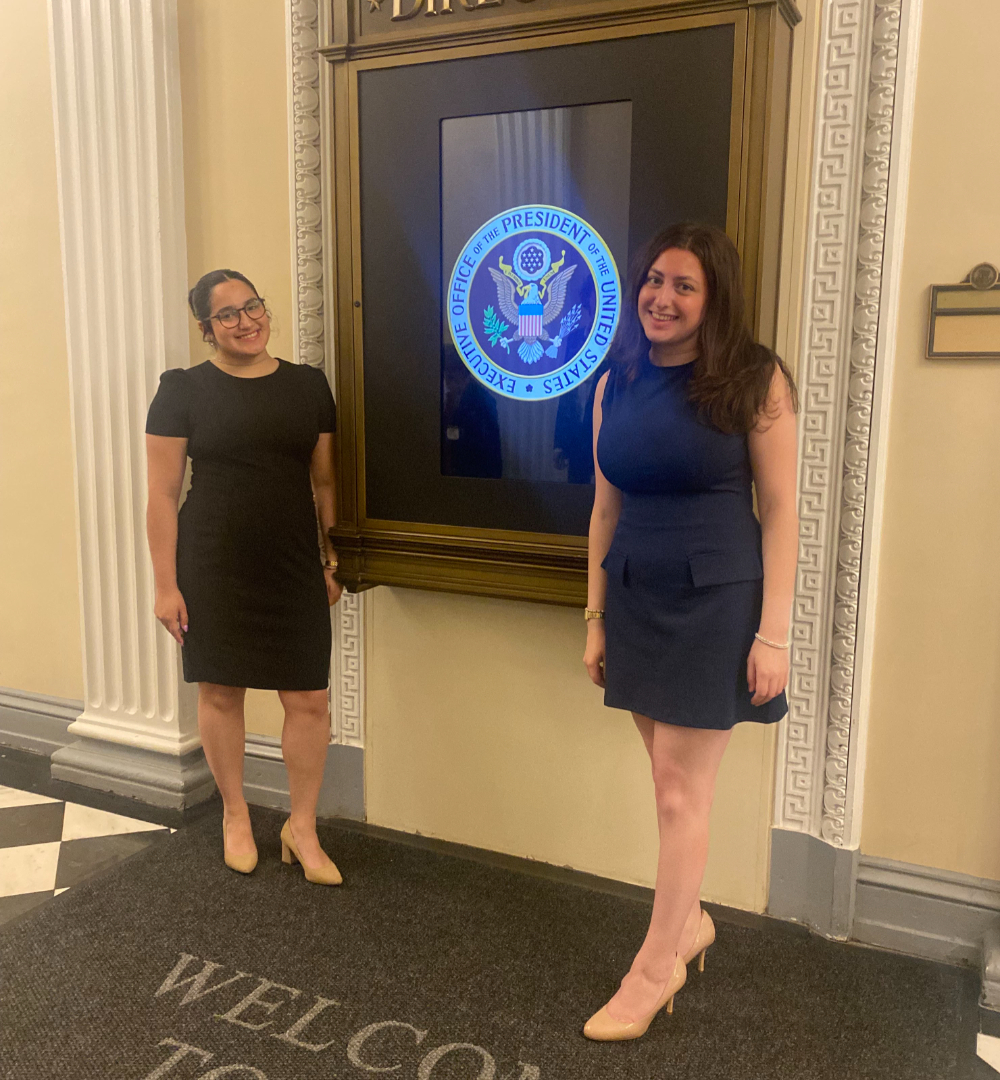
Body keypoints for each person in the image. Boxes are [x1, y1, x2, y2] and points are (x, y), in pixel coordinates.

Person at [582, 224, 798, 1040]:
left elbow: (782, 509)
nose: (661, 298)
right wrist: (595, 618)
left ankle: (654, 968)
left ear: (714, 299)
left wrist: (774, 634)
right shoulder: (616, 381)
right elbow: (604, 509)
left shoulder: (755, 378)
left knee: (681, 793)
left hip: (717, 602)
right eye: (653, 280)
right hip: (637, 595)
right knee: (667, 782)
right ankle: (692, 921)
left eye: (684, 285)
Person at [145, 269, 344, 886]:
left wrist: (332, 557)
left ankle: (301, 827)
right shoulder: (182, 390)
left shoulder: (308, 386)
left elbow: (325, 481)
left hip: (292, 561)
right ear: (207, 328)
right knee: (220, 691)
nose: (246, 321)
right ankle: (236, 814)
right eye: (227, 314)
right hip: (213, 562)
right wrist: (165, 585)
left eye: (252, 306)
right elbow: (161, 494)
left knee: (308, 698)